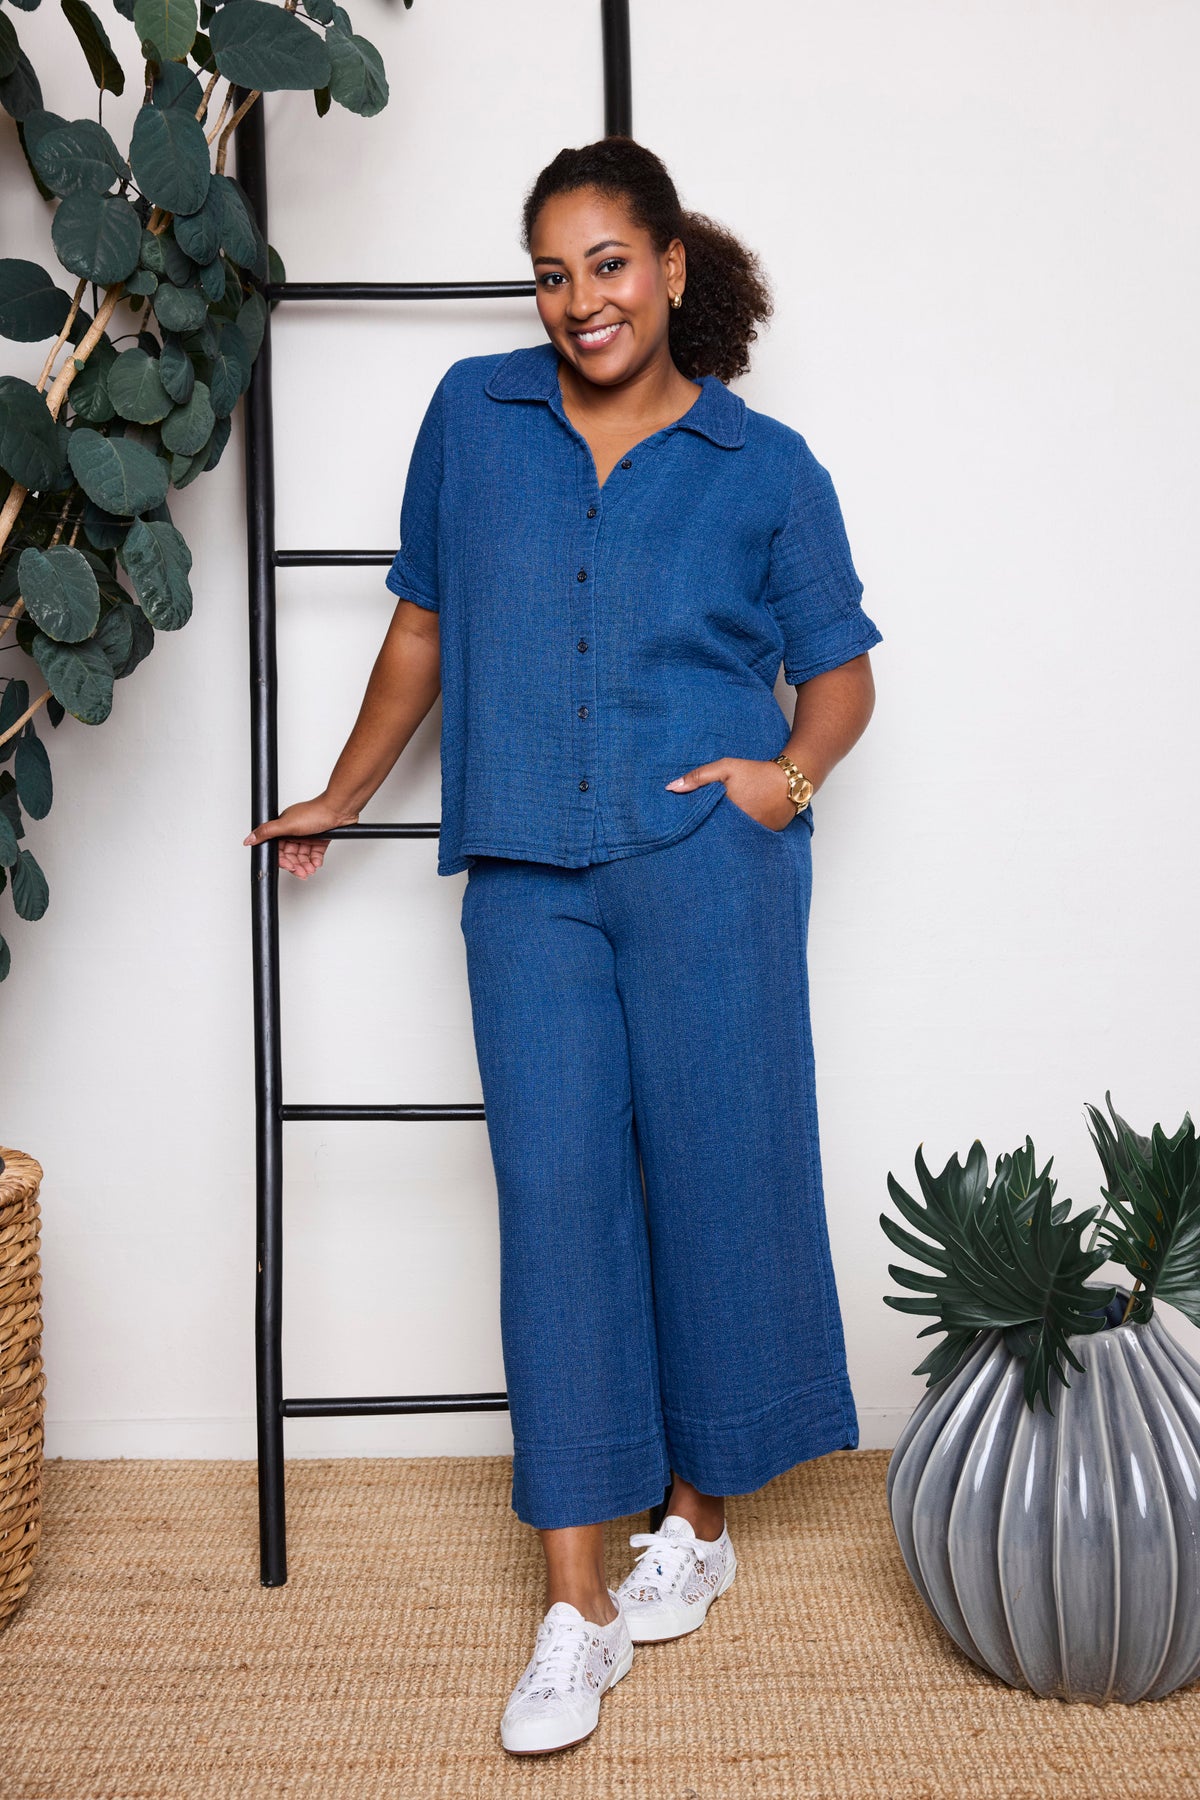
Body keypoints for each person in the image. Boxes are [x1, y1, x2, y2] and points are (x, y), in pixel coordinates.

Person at [244, 135, 882, 1758]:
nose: (580, 299)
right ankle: (575, 1607)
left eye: (607, 264)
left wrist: (787, 780)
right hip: (526, 867)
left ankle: (700, 1522)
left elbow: (841, 672)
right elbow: (422, 626)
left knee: (717, 1172)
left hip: (708, 867)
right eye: (551, 273)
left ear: (670, 266)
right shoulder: (475, 416)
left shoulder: (764, 465)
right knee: (556, 1202)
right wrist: (340, 792)